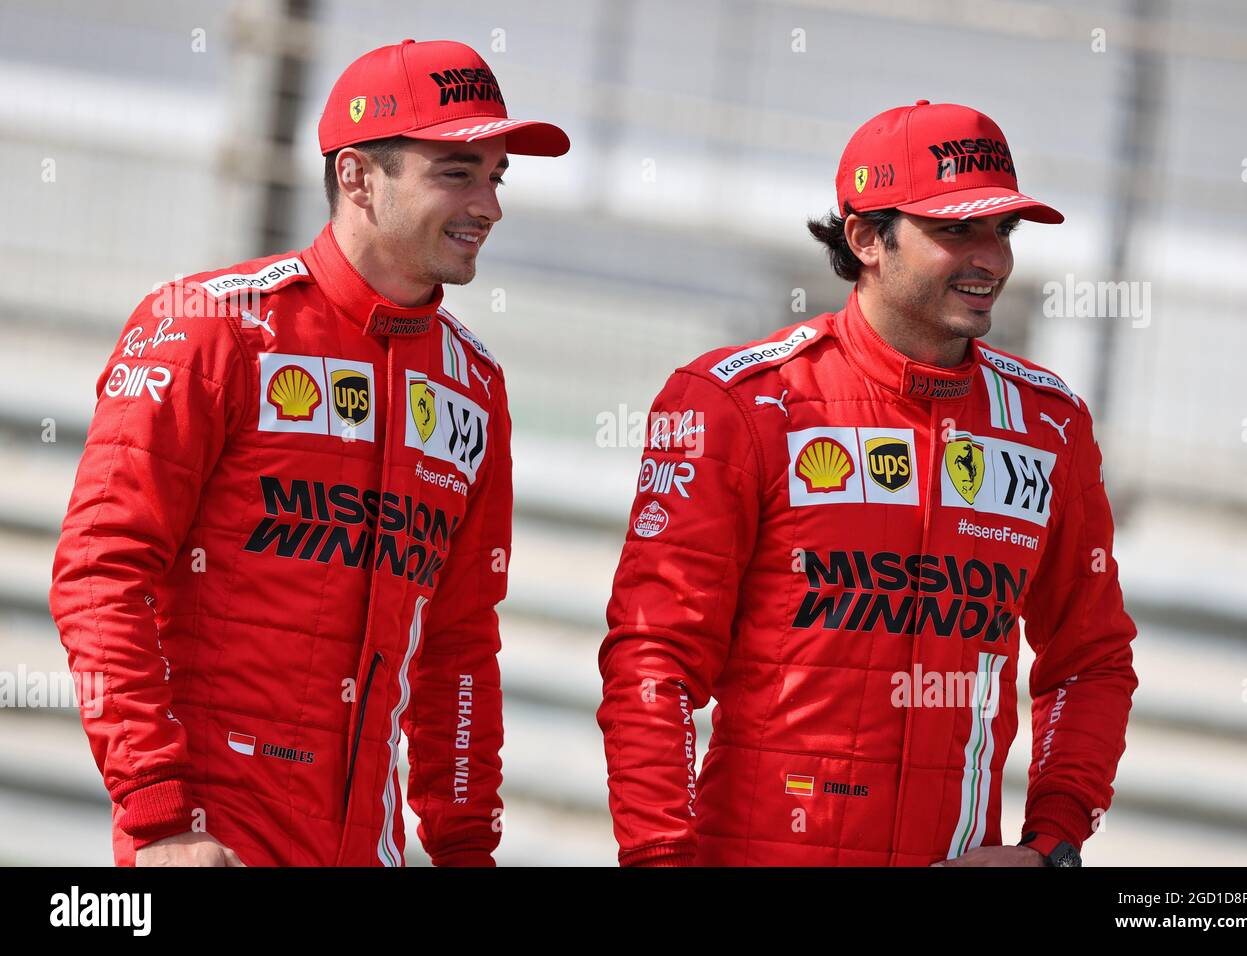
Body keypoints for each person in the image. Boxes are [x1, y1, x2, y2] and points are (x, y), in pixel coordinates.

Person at [49, 39, 568, 866]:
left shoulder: (474, 385)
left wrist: (467, 847)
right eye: (457, 173)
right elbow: (99, 571)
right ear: (358, 177)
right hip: (214, 837)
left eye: (496, 177)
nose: (490, 207)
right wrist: (160, 818)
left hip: (370, 844)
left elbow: (460, 645)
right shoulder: (210, 324)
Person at [597, 100, 1137, 867]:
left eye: (1002, 231)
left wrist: (1053, 844)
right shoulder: (742, 404)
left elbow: (1090, 659)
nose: (993, 259)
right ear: (865, 239)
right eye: (957, 229)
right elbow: (653, 661)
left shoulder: (1048, 426)